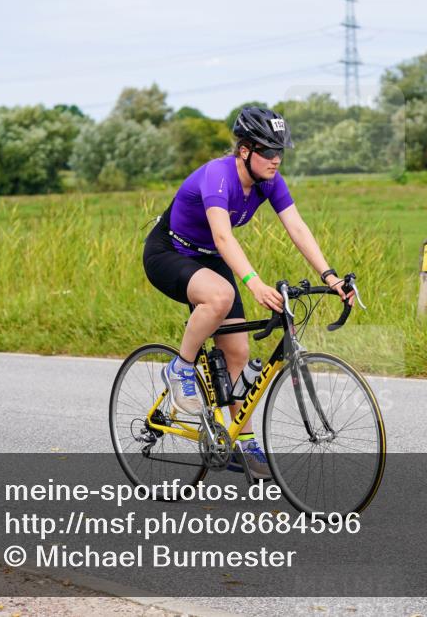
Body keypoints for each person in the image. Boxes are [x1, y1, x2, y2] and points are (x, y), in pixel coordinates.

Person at [143, 106, 354, 479]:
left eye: (281, 152)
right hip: (169, 253)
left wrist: (331, 275)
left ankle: (243, 440)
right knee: (220, 296)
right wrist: (254, 283)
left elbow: (298, 228)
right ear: (245, 150)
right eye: (269, 151)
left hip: (210, 258)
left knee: (238, 352)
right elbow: (223, 236)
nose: (276, 160)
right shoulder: (218, 175)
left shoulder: (270, 181)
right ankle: (181, 368)